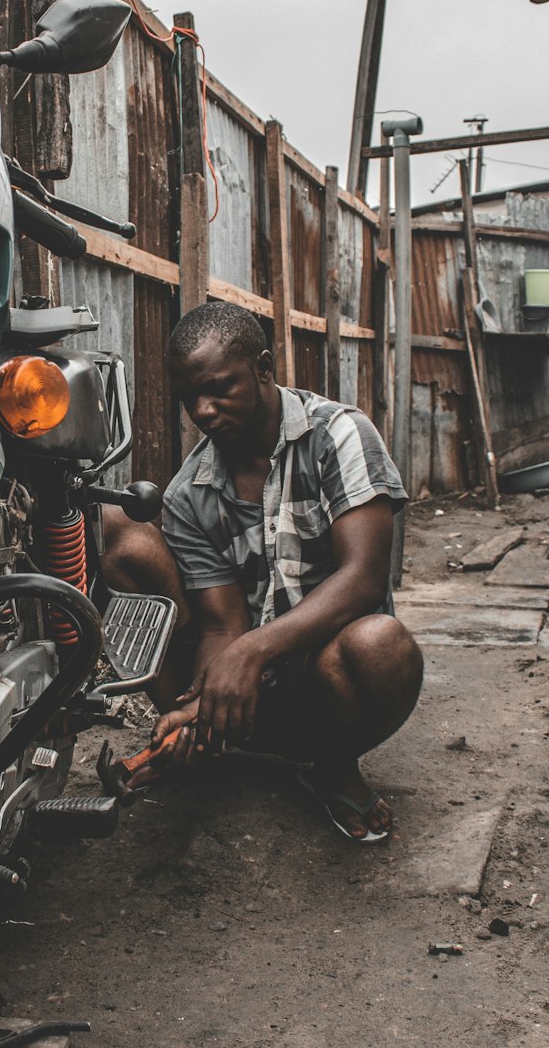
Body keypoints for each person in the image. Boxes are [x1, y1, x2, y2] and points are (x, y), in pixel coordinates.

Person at [103, 300, 423, 843]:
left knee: (380, 643)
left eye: (220, 389)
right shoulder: (190, 492)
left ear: (265, 368)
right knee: (123, 539)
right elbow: (219, 623)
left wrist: (250, 651)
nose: (203, 410)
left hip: (330, 686)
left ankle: (335, 769)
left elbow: (365, 579)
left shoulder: (339, 435)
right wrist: (202, 706)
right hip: (247, 695)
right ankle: (203, 744)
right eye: (190, 398)